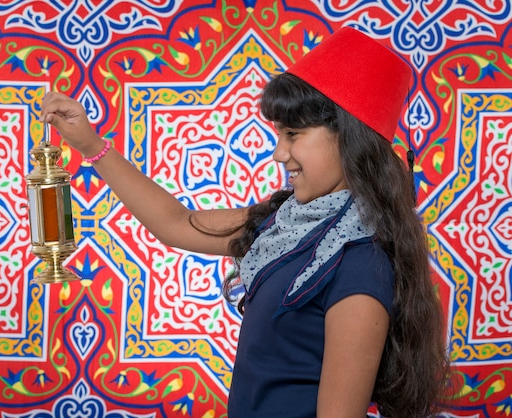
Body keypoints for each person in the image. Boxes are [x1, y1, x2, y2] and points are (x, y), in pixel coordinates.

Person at [41, 26, 450, 418]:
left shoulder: (360, 268)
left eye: (292, 134)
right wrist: (90, 145)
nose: (278, 153)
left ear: (349, 139)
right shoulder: (285, 222)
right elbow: (177, 223)